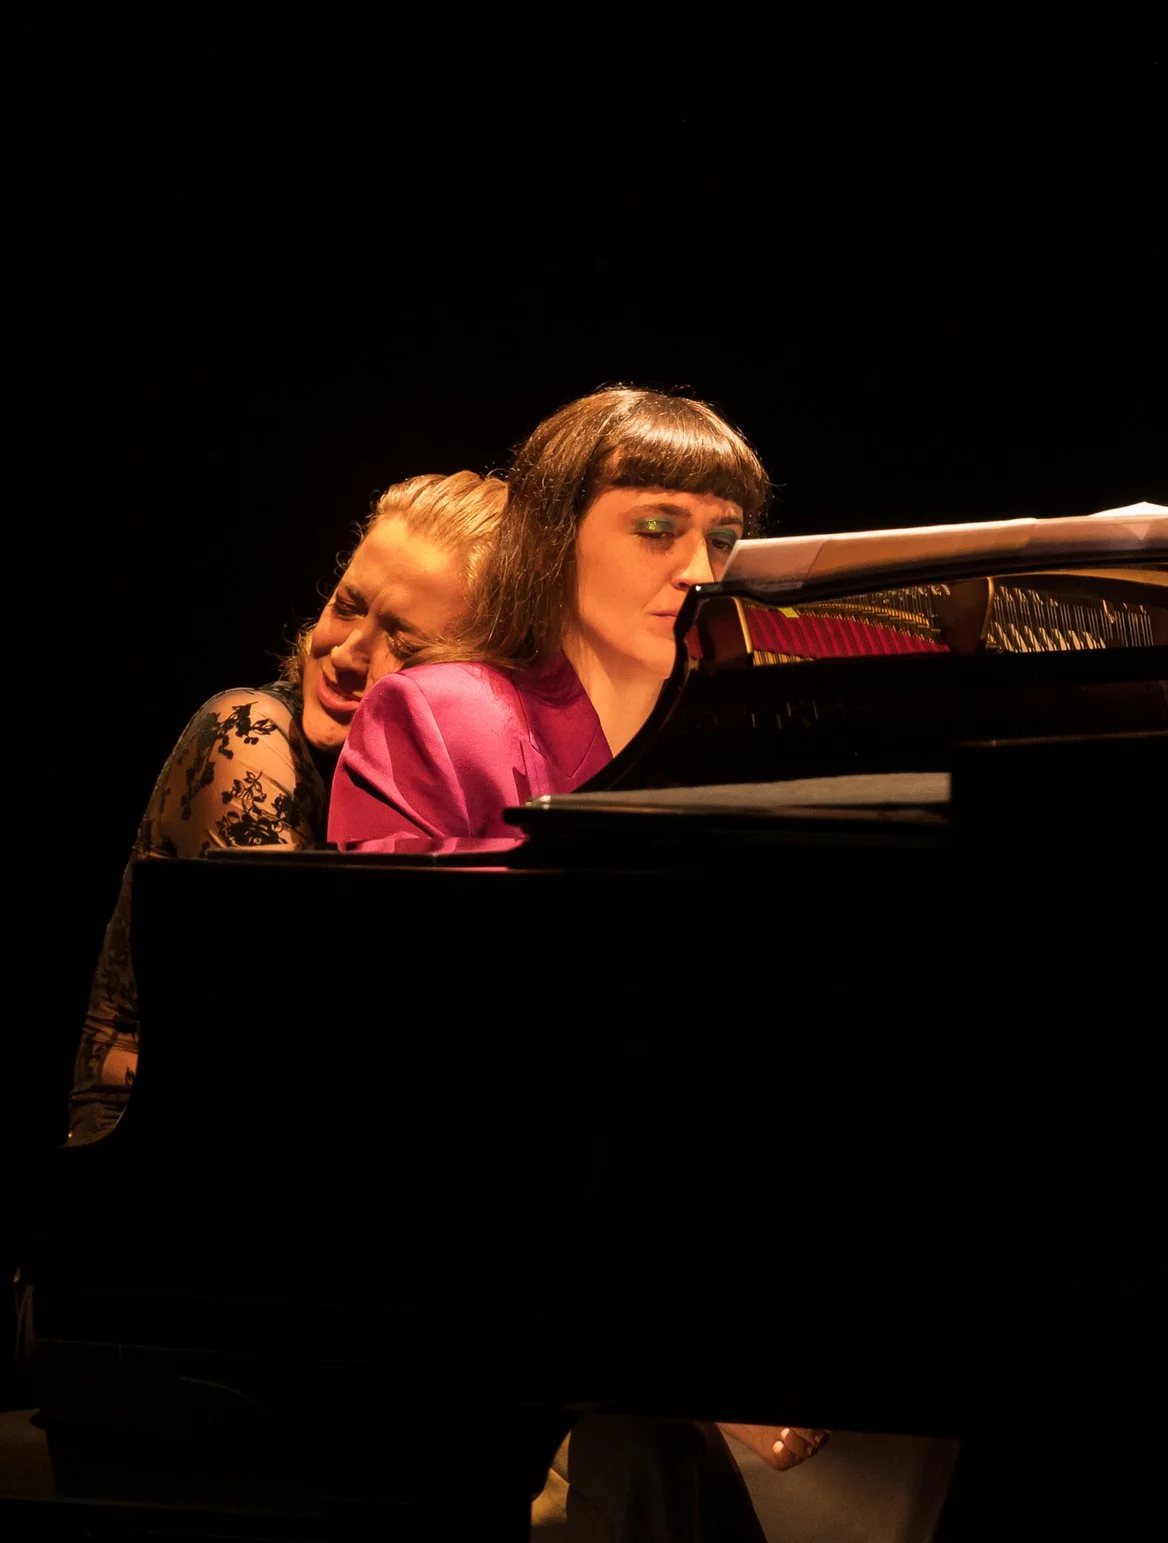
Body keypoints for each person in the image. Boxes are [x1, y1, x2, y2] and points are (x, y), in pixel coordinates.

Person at [64, 468, 507, 1146]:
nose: (348, 653)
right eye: (347, 605)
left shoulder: (462, 779)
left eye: (404, 643)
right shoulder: (248, 735)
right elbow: (292, 1035)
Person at [326, 386, 770, 851]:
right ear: (551, 539)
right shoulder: (433, 715)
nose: (700, 574)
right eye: (656, 529)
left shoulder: (738, 737)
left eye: (722, 541)